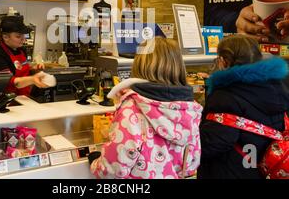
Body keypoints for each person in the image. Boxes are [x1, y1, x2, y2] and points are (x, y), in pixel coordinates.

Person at [88, 37, 203, 179]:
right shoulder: (190, 110)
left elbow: (113, 169)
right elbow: (192, 162)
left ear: (139, 65)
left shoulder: (132, 108)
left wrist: (95, 162)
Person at [198, 35, 289, 179]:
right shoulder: (277, 86)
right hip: (265, 169)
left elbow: (214, 142)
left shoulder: (225, 96)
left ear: (223, 62)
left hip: (231, 171)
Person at [0, 16, 50, 96]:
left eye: (24, 35)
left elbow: (21, 67)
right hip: (6, 101)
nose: (23, 39)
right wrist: (33, 79)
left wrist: (34, 69)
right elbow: (10, 82)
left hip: (24, 97)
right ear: (5, 37)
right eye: (18, 36)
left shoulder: (21, 50)